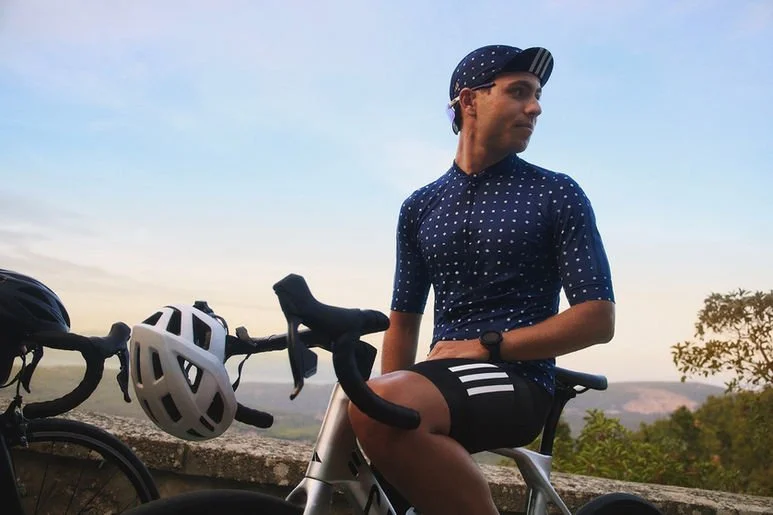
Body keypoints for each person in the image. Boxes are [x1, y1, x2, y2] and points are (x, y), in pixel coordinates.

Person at [348, 44, 616, 515]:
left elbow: (597, 320)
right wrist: (391, 383)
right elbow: (404, 319)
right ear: (469, 101)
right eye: (518, 92)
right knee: (371, 404)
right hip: (439, 377)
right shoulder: (419, 206)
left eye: (536, 95)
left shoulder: (557, 193)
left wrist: (487, 345)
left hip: (519, 380)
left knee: (383, 404)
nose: (535, 107)